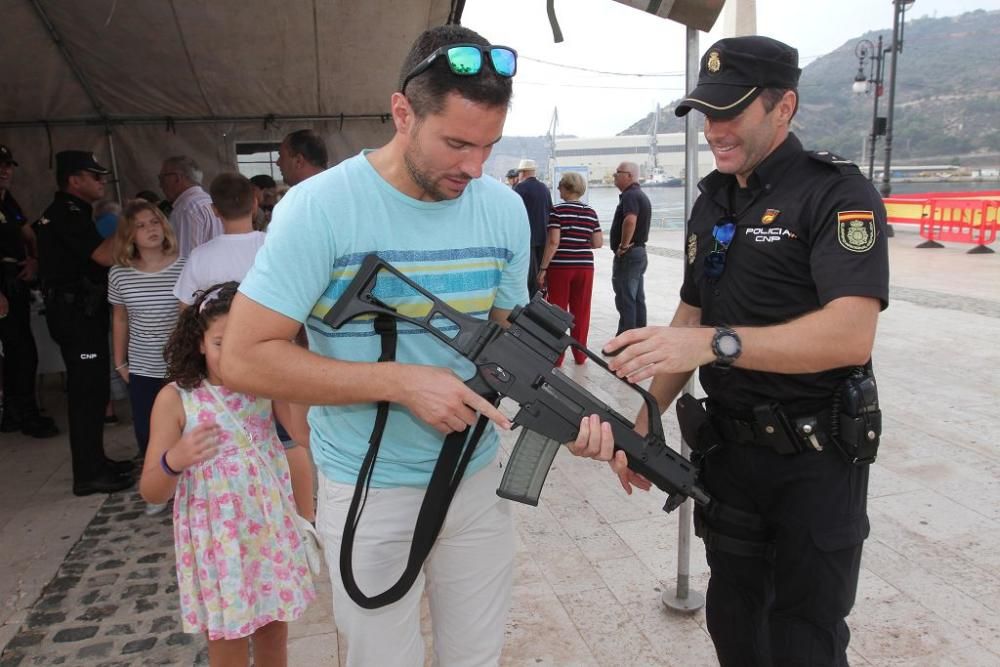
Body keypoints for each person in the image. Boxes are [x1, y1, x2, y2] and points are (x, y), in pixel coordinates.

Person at [570, 36, 889, 666]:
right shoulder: (713, 198)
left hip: (814, 463)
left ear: (784, 106)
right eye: (708, 114)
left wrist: (715, 343)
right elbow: (692, 311)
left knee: (804, 640)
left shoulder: (837, 195)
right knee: (736, 627)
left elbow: (851, 333)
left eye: (732, 113)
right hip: (731, 458)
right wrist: (646, 419)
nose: (715, 130)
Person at [220, 25, 528, 666]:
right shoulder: (319, 208)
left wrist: (572, 416)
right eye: (457, 143)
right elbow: (243, 355)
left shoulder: (504, 210)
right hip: (368, 486)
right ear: (402, 113)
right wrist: (398, 381)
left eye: (490, 146)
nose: (474, 167)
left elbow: (505, 342)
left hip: (474, 481)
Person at [140, 282, 315, 666]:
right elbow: (151, 491)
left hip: (267, 531)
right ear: (200, 343)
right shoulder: (176, 399)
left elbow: (301, 435)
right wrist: (175, 459)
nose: (232, 353)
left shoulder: (263, 387)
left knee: (274, 630)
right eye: (221, 342)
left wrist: (292, 369)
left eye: (242, 341)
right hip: (218, 544)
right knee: (228, 639)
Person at [172, 172, 315, 522]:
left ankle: (242, 508)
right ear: (254, 202)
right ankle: (305, 513)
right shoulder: (272, 246)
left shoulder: (200, 257)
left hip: (223, 361)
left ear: (215, 211)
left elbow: (184, 311)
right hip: (275, 351)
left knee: (238, 432)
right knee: (289, 438)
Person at [34, 150, 134, 495]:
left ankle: (95, 461)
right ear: (74, 180)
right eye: (95, 176)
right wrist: (131, 223)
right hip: (75, 315)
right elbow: (103, 255)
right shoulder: (68, 212)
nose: (102, 182)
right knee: (87, 394)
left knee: (93, 391)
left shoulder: (70, 212)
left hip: (81, 312)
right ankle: (88, 474)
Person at [108, 199, 186, 514]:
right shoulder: (120, 274)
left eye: (153, 222)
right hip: (143, 364)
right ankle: (158, 487)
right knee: (146, 428)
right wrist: (119, 361)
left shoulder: (184, 264)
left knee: (188, 424)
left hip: (182, 363)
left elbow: (193, 315)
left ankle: (191, 484)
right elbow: (120, 318)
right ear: (129, 235)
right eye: (140, 226)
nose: (150, 230)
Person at [0, 144, 58, 438]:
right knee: (18, 352)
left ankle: (16, 412)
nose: (5, 171)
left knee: (21, 352)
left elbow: (28, 233)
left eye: (8, 165)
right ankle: (22, 414)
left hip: (15, 280)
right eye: (0, 166)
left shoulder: (8, 202)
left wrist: (34, 260)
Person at [537, 170, 602, 365]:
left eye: (560, 186)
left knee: (558, 311)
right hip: (585, 267)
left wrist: (543, 268)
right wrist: (580, 244)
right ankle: (580, 355)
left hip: (560, 268)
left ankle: (557, 357)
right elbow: (598, 242)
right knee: (581, 310)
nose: (558, 189)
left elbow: (553, 242)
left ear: (566, 188)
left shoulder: (557, 211)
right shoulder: (590, 212)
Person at [609, 160, 651, 334]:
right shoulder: (639, 194)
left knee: (626, 298)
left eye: (617, 172)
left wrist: (623, 246)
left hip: (630, 254)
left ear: (629, 176)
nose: (614, 176)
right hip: (639, 253)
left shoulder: (630, 195)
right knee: (636, 298)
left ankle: (625, 340)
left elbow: (630, 219)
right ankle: (640, 334)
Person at [159, 155, 223, 258]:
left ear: (176, 178)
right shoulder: (210, 200)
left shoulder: (186, 209)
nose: (160, 185)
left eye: (161, 178)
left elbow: (185, 259)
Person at [513, 157, 551, 295]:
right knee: (541, 273)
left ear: (522, 173)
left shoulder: (520, 188)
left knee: (528, 276)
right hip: (544, 238)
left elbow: (514, 213)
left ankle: (531, 301)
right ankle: (541, 297)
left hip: (527, 239)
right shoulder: (545, 189)